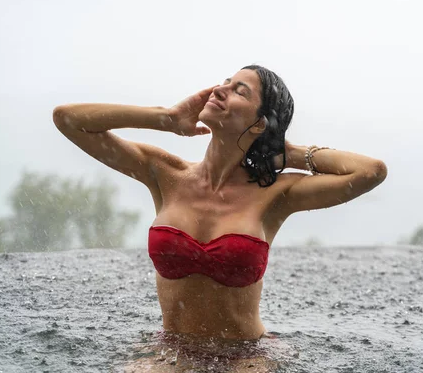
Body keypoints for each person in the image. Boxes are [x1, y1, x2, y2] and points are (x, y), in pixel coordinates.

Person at [52, 65, 388, 371]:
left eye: (240, 91)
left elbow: (371, 171)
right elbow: (67, 119)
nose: (221, 89)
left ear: (258, 124)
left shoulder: (275, 195)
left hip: (248, 357)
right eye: (225, 81)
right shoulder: (165, 174)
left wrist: (288, 153)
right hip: (171, 352)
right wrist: (165, 118)